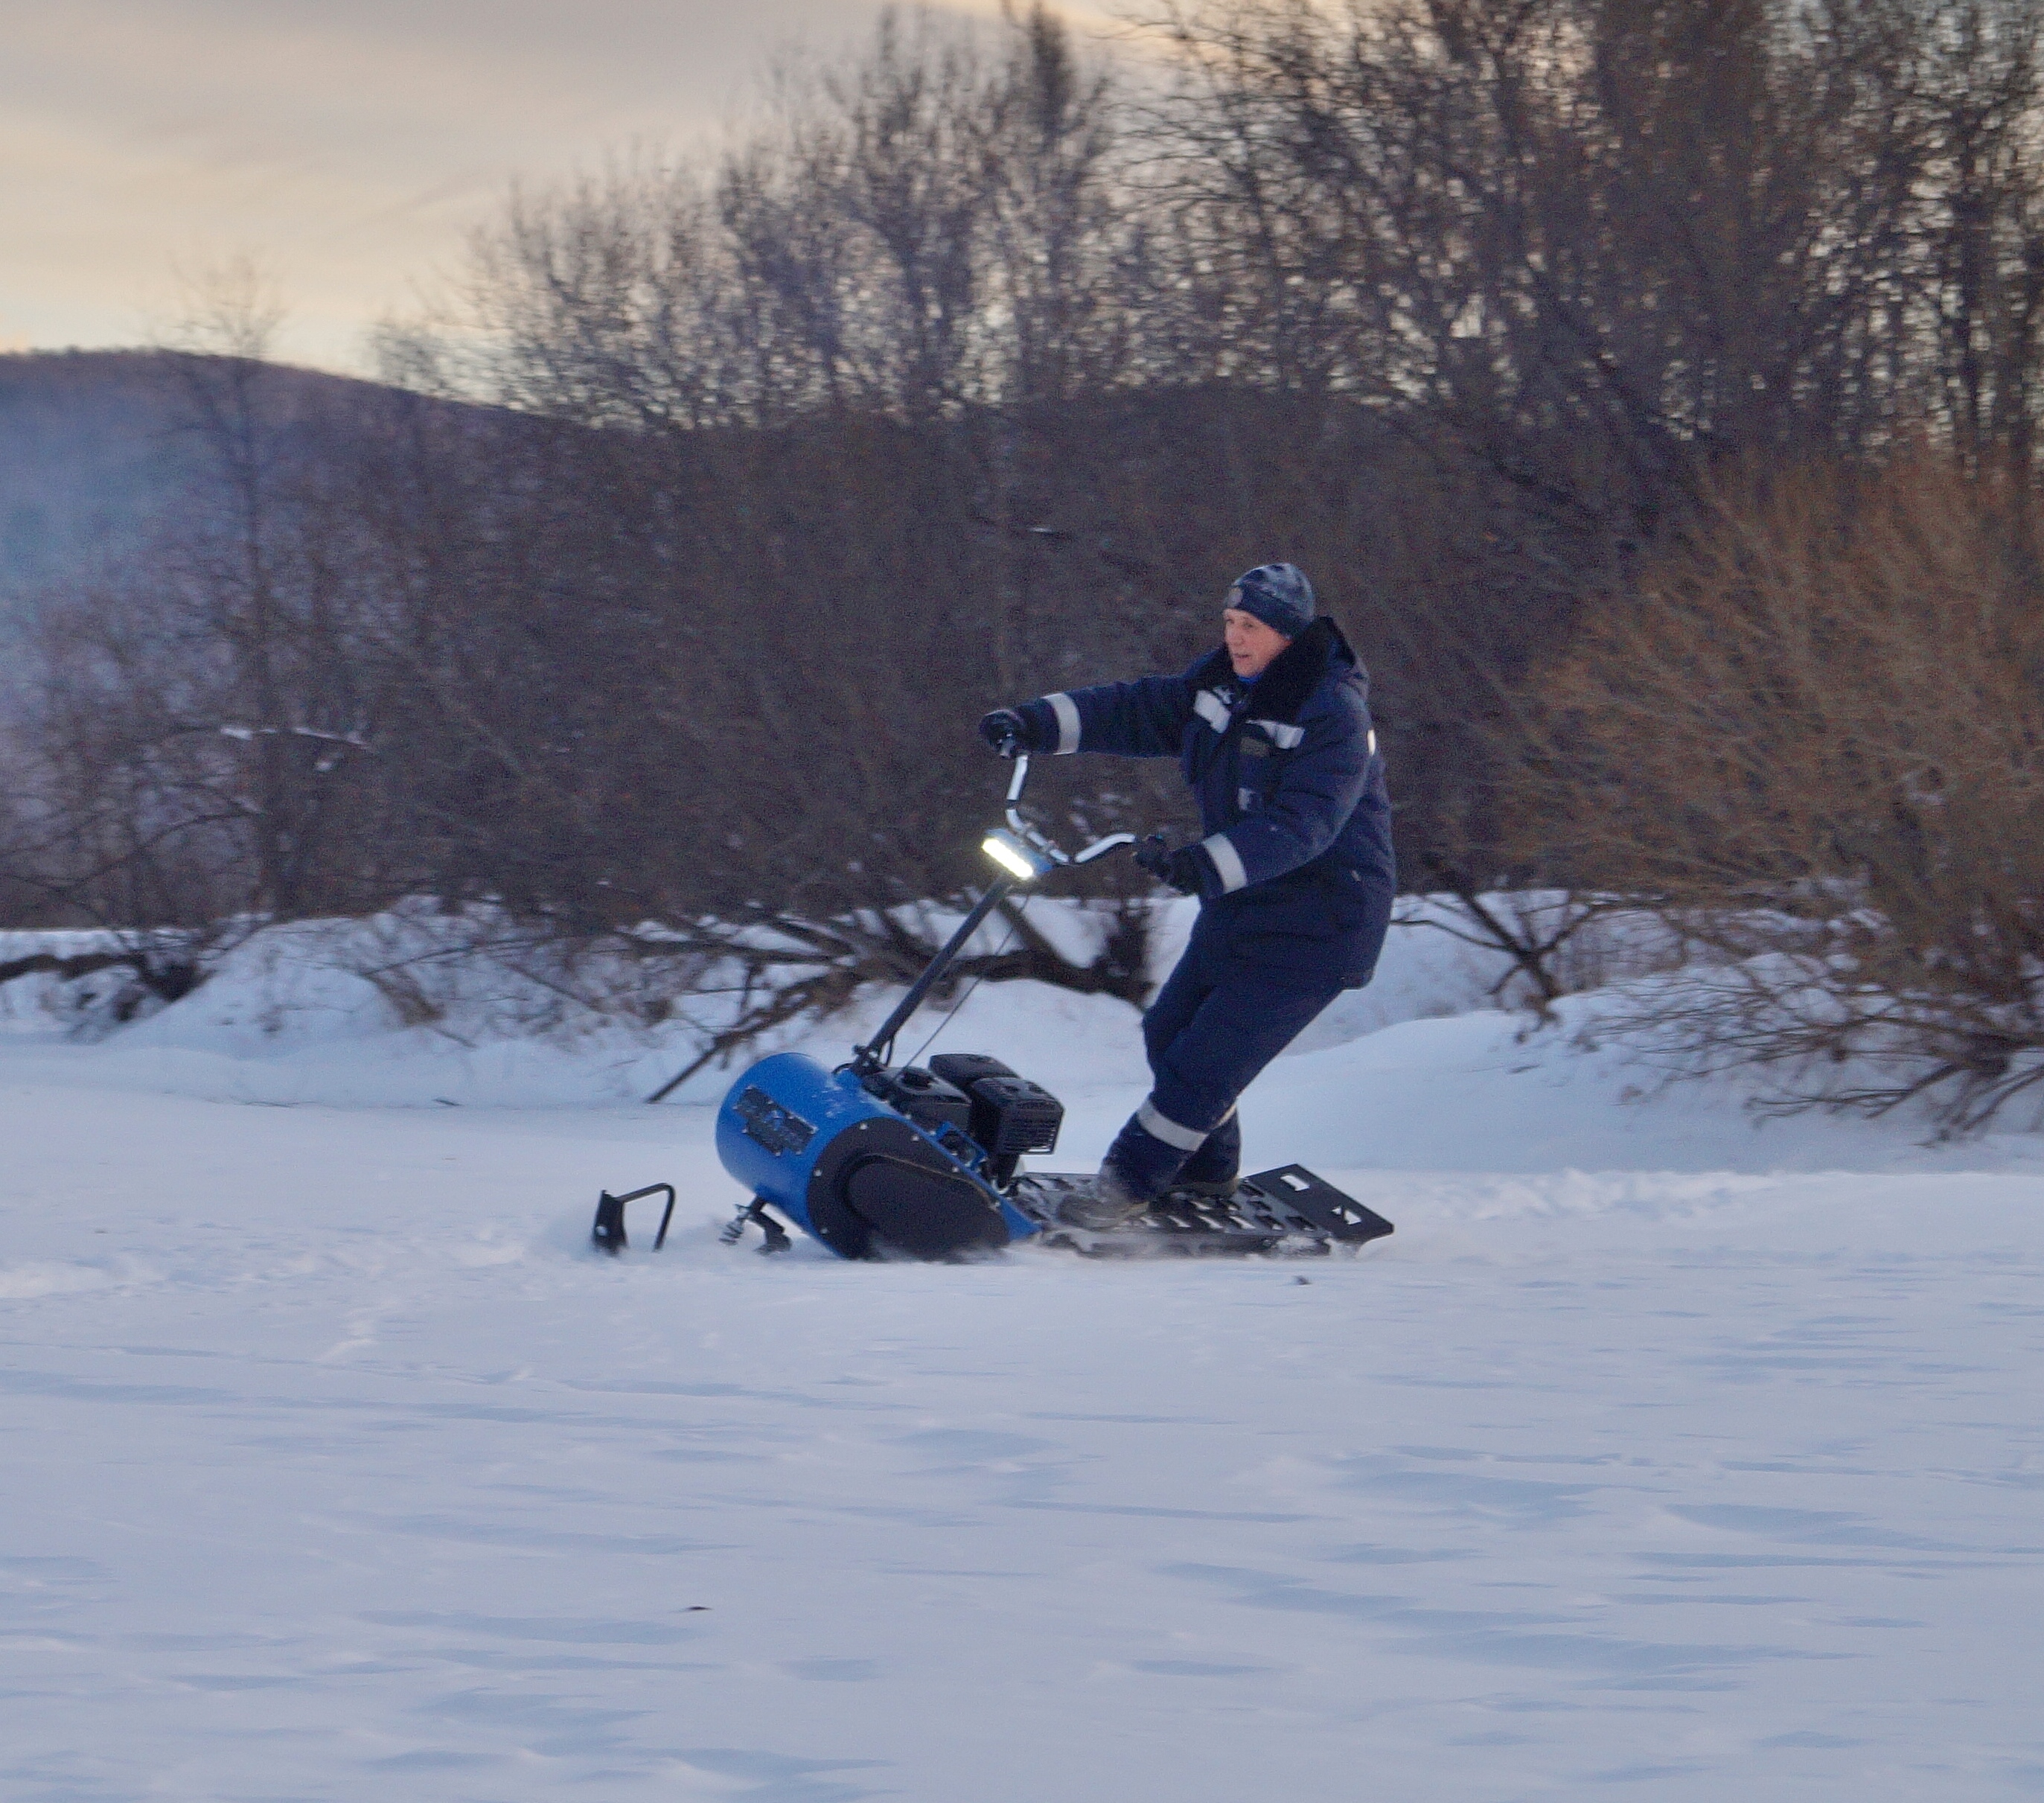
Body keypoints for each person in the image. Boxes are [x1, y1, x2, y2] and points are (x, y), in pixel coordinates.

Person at [978, 563, 1395, 1228]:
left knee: (1202, 1066)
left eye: (1251, 626)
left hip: (1320, 925)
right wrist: (1033, 724)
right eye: (1230, 623)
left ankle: (1125, 1187)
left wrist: (1204, 865)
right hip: (1243, 907)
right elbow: (1137, 709)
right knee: (1169, 1034)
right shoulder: (1221, 690)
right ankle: (1206, 1174)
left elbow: (1304, 827)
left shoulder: (1331, 715)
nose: (1235, 637)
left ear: (1287, 634)